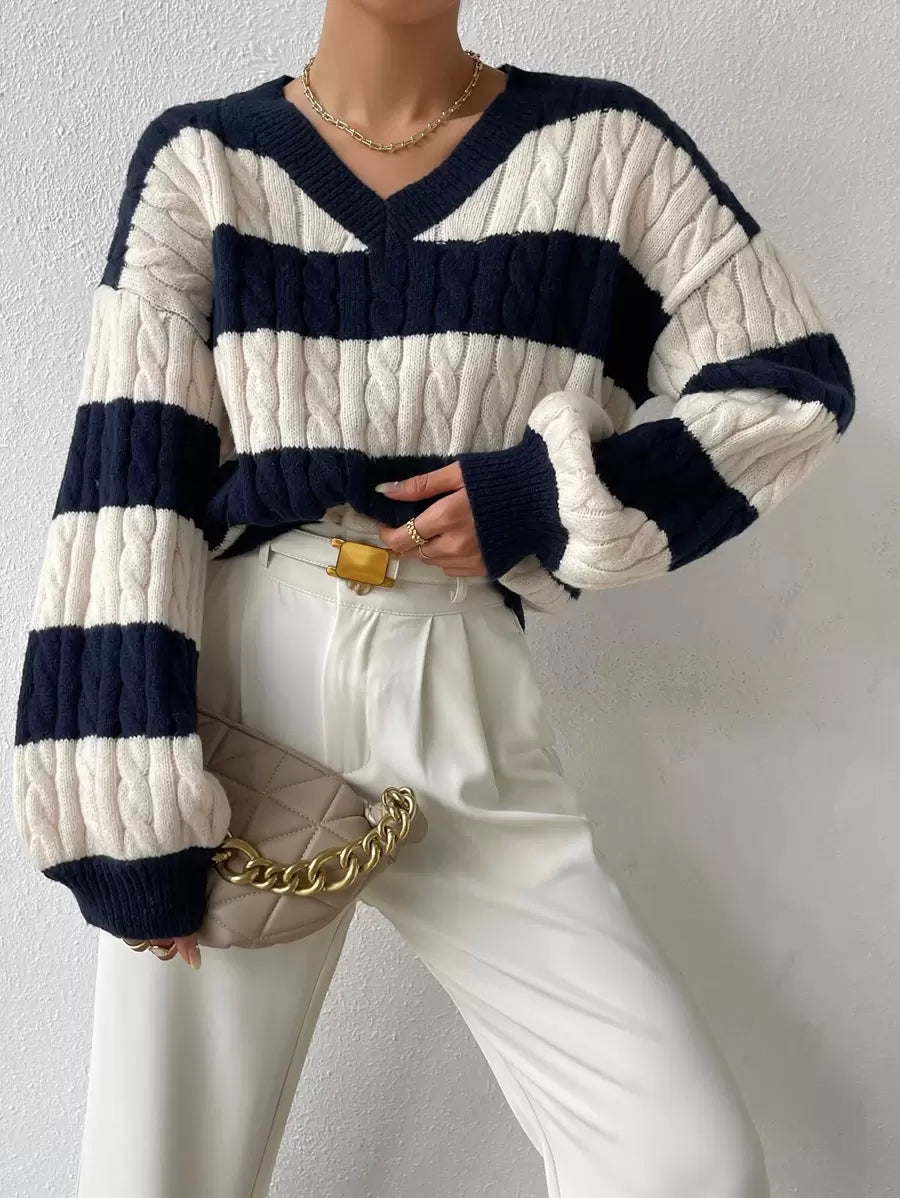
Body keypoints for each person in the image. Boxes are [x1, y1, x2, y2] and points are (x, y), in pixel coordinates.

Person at [12, 0, 855, 1194]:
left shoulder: (606, 150)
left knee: (684, 1163)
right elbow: (122, 488)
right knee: (157, 1178)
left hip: (462, 680)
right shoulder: (205, 161)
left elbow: (791, 386)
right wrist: (124, 822)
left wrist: (544, 497)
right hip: (247, 688)